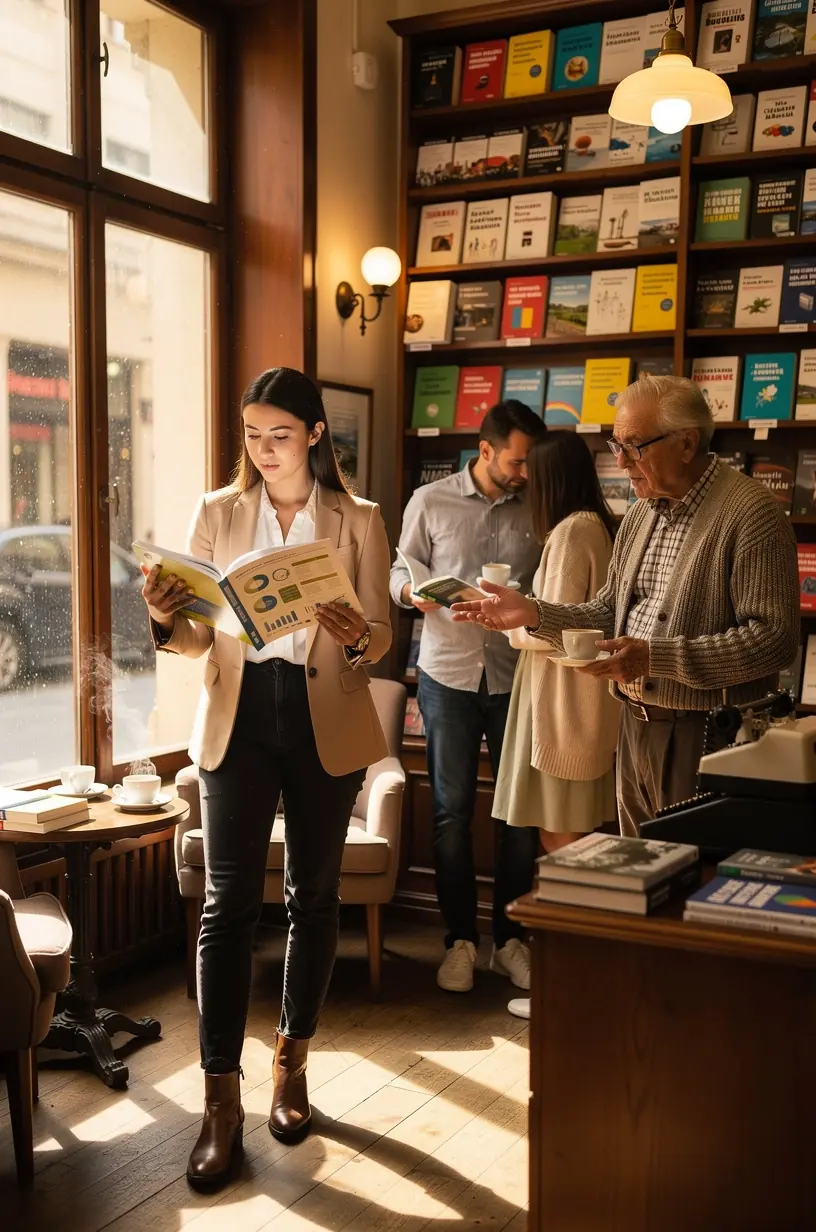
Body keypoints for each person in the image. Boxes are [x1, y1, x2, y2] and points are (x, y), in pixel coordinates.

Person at [140, 367, 391, 1191]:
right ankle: (220, 1102)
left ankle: (293, 1063)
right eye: (252, 434)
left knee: (315, 896)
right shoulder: (217, 513)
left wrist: (358, 634)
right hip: (238, 717)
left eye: (279, 434)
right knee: (227, 904)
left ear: (316, 434)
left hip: (326, 717)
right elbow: (189, 642)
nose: (263, 449)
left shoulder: (359, 518)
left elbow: (382, 633)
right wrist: (163, 612)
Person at [451, 375, 799, 837]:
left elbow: (773, 640)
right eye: (616, 444)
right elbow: (607, 610)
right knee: (639, 875)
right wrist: (535, 613)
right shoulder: (640, 511)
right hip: (633, 725)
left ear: (687, 443)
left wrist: (655, 658)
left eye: (634, 446)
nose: (620, 462)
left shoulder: (752, 513)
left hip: (708, 733)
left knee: (690, 880)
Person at [390, 400, 546, 994]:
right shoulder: (431, 500)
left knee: (518, 816)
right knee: (451, 815)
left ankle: (510, 941)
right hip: (447, 675)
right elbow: (397, 574)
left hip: (516, 674)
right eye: (517, 460)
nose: (525, 472)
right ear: (485, 451)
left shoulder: (539, 505)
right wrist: (413, 595)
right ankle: (458, 941)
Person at [491, 433, 620, 1020]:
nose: (523, 486)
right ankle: (581, 975)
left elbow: (553, 629)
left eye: (530, 477)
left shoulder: (570, 533)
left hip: (559, 706)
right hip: (579, 704)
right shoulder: (600, 524)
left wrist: (508, 618)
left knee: (560, 841)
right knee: (574, 839)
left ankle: (567, 981)